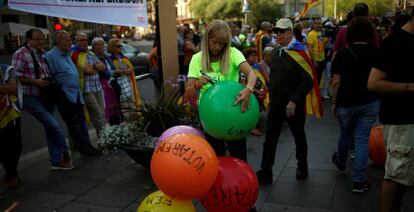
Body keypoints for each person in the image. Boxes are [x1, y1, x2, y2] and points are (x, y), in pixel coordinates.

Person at [256, 18, 323, 184]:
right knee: (270, 138)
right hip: (276, 104)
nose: (277, 34)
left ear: (289, 32)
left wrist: (293, 101)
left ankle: (302, 166)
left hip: (293, 106)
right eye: (275, 31)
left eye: (281, 31)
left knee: (298, 136)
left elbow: (307, 80)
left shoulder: (300, 53)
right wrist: (271, 95)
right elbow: (274, 77)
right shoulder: (277, 51)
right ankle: (266, 170)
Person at [185, 20, 257, 162]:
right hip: (211, 117)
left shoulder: (233, 53)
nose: (217, 47)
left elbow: (252, 74)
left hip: (235, 113)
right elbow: (188, 94)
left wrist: (248, 89)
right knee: (215, 159)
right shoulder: (196, 59)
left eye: (221, 43)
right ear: (207, 40)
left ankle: (242, 183)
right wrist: (197, 85)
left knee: (239, 157)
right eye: (214, 42)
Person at [367, 6, 414, 212]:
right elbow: (373, 83)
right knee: (395, 175)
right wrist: (409, 86)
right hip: (401, 121)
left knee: (403, 176)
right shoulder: (394, 43)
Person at [12, 28, 74, 169]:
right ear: (28, 40)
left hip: (45, 96)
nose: (41, 41)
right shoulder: (20, 54)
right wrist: (36, 82)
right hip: (29, 96)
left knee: (50, 127)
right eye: (37, 39)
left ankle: (56, 161)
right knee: (53, 125)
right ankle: (65, 152)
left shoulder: (42, 54)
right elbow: (14, 77)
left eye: (42, 38)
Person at [330, 17, 380, 193]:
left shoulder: (343, 53)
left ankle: (341, 162)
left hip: (346, 103)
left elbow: (336, 81)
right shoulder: (376, 52)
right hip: (370, 102)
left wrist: (334, 102)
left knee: (345, 133)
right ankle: (359, 181)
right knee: (361, 141)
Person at [45, 30, 100, 156]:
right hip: (65, 95)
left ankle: (87, 146)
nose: (70, 42)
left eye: (70, 39)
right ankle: (83, 148)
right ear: (59, 41)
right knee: (74, 124)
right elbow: (51, 76)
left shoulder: (67, 54)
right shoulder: (51, 56)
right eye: (68, 40)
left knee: (81, 122)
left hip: (76, 94)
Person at [71, 32, 106, 137]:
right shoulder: (75, 54)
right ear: (76, 42)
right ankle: (103, 140)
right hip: (87, 89)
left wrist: (93, 66)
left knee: (102, 115)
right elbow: (87, 70)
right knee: (98, 116)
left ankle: (104, 140)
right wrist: (95, 67)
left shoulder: (90, 53)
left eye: (86, 40)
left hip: (97, 87)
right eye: (81, 40)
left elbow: (103, 67)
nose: (84, 42)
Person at [107, 38, 141, 121]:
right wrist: (123, 71)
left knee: (134, 112)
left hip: (129, 89)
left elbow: (131, 70)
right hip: (119, 90)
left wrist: (122, 71)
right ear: (112, 47)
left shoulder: (123, 58)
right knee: (125, 114)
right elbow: (114, 72)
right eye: (118, 46)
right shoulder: (109, 59)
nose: (120, 47)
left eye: (121, 46)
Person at [90, 37, 122, 126]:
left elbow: (112, 68)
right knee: (109, 111)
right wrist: (113, 72)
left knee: (117, 110)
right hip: (104, 86)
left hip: (113, 84)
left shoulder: (106, 56)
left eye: (103, 44)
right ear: (94, 47)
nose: (103, 46)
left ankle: (118, 128)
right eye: (100, 45)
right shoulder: (94, 57)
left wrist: (113, 72)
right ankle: (113, 129)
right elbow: (103, 74)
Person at [0, 63, 22, 189]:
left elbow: (13, 88)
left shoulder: (6, 69)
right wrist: (4, 87)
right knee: (2, 147)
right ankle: (12, 174)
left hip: (9, 112)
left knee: (15, 145)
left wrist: (6, 88)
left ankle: (11, 172)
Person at [307, 17, 328, 82]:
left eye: (319, 23)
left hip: (322, 59)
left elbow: (324, 47)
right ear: (313, 24)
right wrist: (314, 61)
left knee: (320, 79)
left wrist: (326, 40)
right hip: (315, 60)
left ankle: (318, 91)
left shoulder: (322, 33)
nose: (318, 25)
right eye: (316, 23)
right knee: (315, 80)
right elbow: (310, 49)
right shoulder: (311, 34)